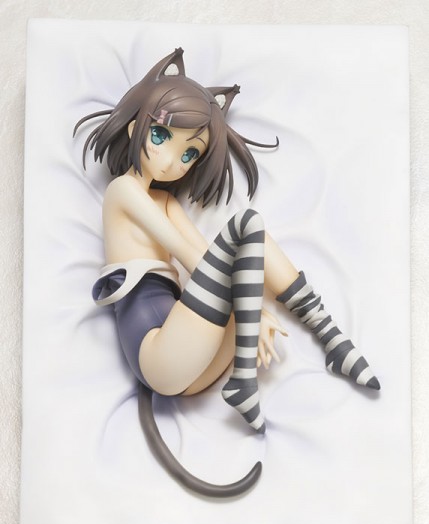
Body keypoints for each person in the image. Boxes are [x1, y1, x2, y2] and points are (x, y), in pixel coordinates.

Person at [75, 47, 380, 439]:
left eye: (188, 154)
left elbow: (204, 255)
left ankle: (330, 339)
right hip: (157, 355)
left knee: (255, 237)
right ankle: (251, 377)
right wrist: (251, 305)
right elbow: (188, 254)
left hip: (193, 364)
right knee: (247, 226)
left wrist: (249, 307)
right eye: (160, 136)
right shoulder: (122, 190)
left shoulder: (165, 200)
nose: (172, 161)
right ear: (135, 128)